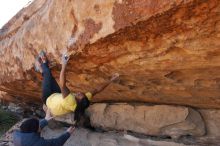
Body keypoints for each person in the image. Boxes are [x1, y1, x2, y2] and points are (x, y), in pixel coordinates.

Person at [35, 51, 119, 123]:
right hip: (57, 95)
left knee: (48, 75)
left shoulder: (71, 101)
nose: (79, 93)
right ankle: (43, 70)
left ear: (78, 101)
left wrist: (64, 64)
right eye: (81, 94)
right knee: (50, 78)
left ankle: (43, 63)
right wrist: (111, 80)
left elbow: (62, 84)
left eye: (79, 95)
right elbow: (97, 90)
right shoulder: (84, 101)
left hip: (48, 100)